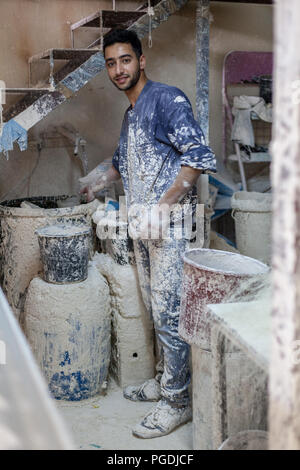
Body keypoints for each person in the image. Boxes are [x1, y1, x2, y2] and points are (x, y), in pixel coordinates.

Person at [79, 29, 216, 439]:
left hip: (170, 227)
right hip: (145, 229)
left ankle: (177, 402)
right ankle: (165, 381)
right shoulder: (132, 113)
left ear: (141, 61)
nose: (118, 69)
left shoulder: (166, 99)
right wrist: (94, 181)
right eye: (111, 63)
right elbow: (122, 162)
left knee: (172, 312)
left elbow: (196, 158)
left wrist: (162, 209)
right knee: (157, 310)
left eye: (125, 60)